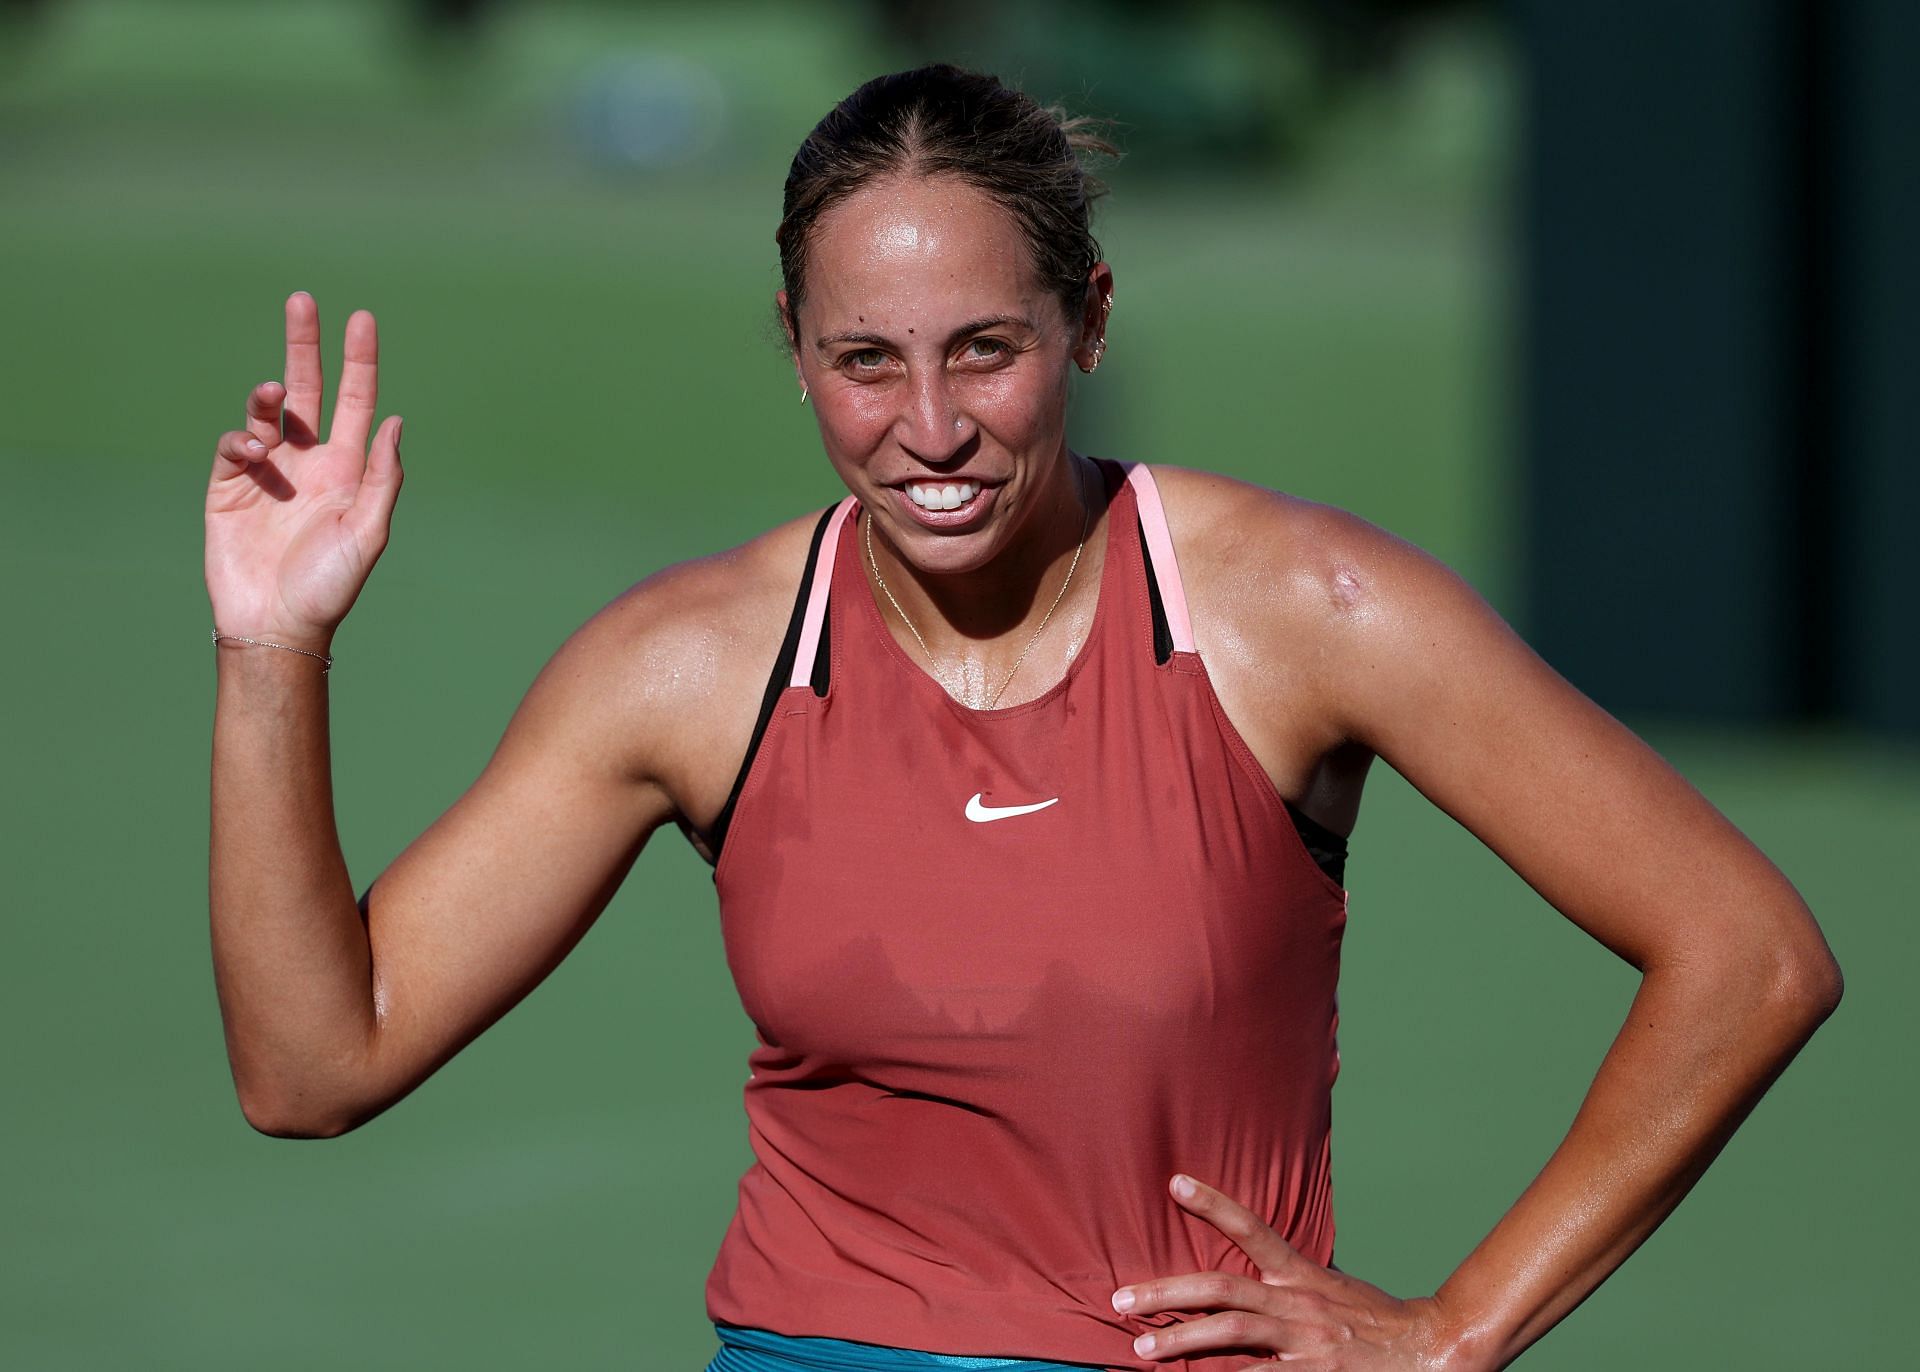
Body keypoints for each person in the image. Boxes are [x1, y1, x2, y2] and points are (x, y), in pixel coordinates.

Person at [204, 64, 1841, 1372]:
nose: (930, 429)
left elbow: (1749, 952)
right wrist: (272, 647)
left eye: (985, 351)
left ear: (1091, 323)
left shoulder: (1303, 611)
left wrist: (1456, 1330)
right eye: (865, 360)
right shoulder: (689, 664)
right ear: (792, 351)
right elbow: (311, 1061)